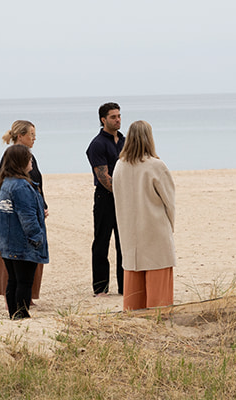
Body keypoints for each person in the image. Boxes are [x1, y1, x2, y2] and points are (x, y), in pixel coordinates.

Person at [112, 120, 175, 310]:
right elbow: (170, 202)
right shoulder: (156, 166)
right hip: (155, 229)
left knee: (133, 287)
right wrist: (170, 227)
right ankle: (159, 318)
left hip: (129, 232)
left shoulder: (119, 166)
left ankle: (134, 319)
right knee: (159, 289)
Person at [0, 144, 49, 319]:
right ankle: (21, 315)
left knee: (13, 280)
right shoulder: (20, 187)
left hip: (7, 243)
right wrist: (37, 238)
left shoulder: (5, 184)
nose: (31, 161)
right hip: (22, 244)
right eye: (29, 158)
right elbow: (27, 217)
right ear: (20, 162)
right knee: (24, 282)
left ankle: (14, 315)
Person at [86, 102, 125, 296]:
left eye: (119, 116)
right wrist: (122, 192)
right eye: (113, 117)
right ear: (103, 120)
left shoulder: (126, 141)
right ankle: (100, 288)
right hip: (105, 198)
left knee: (124, 242)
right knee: (101, 242)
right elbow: (103, 177)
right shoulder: (97, 144)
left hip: (125, 198)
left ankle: (125, 286)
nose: (117, 119)